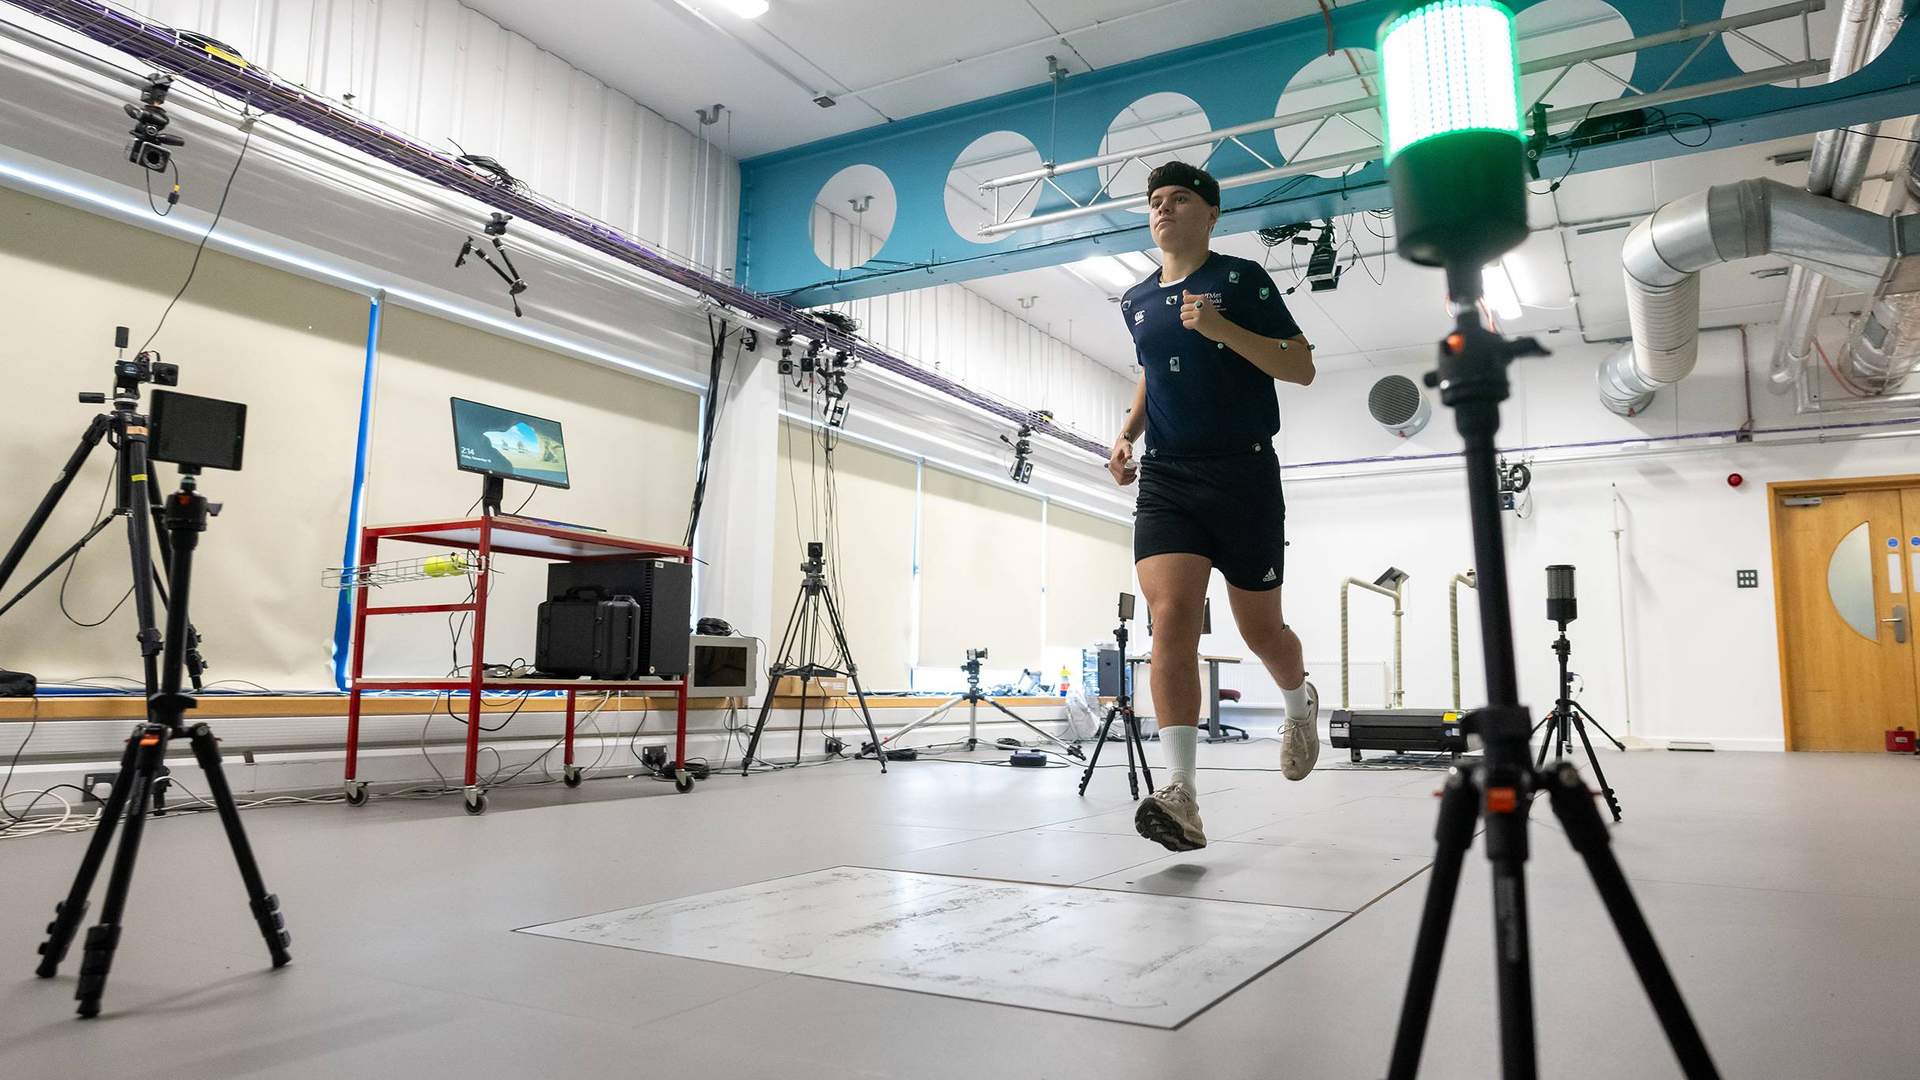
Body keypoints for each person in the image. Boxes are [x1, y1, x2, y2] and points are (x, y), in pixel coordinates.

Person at [1110, 161, 1320, 853]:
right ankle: (1183, 794)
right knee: (1171, 621)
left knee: (1261, 631)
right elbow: (1150, 372)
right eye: (1154, 202)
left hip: (1245, 474)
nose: (1163, 210)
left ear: (1211, 213)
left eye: (1178, 200)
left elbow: (1300, 365)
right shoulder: (1136, 300)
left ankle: (1298, 703)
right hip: (1169, 478)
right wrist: (1127, 435)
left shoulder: (1240, 281)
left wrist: (1224, 329)